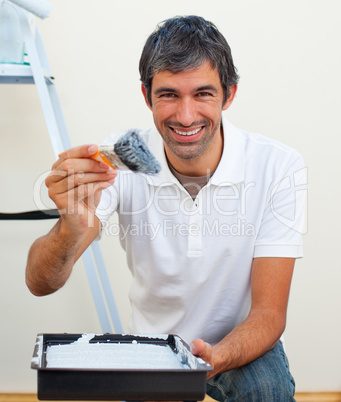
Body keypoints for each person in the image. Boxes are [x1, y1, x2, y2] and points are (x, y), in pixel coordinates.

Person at [26, 15, 305, 401]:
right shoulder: (119, 161)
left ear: (229, 94)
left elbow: (269, 315)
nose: (186, 116)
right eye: (169, 94)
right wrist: (70, 227)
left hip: (238, 341)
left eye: (203, 94)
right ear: (147, 96)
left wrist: (212, 358)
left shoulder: (278, 166)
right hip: (152, 345)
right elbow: (41, 283)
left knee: (268, 390)